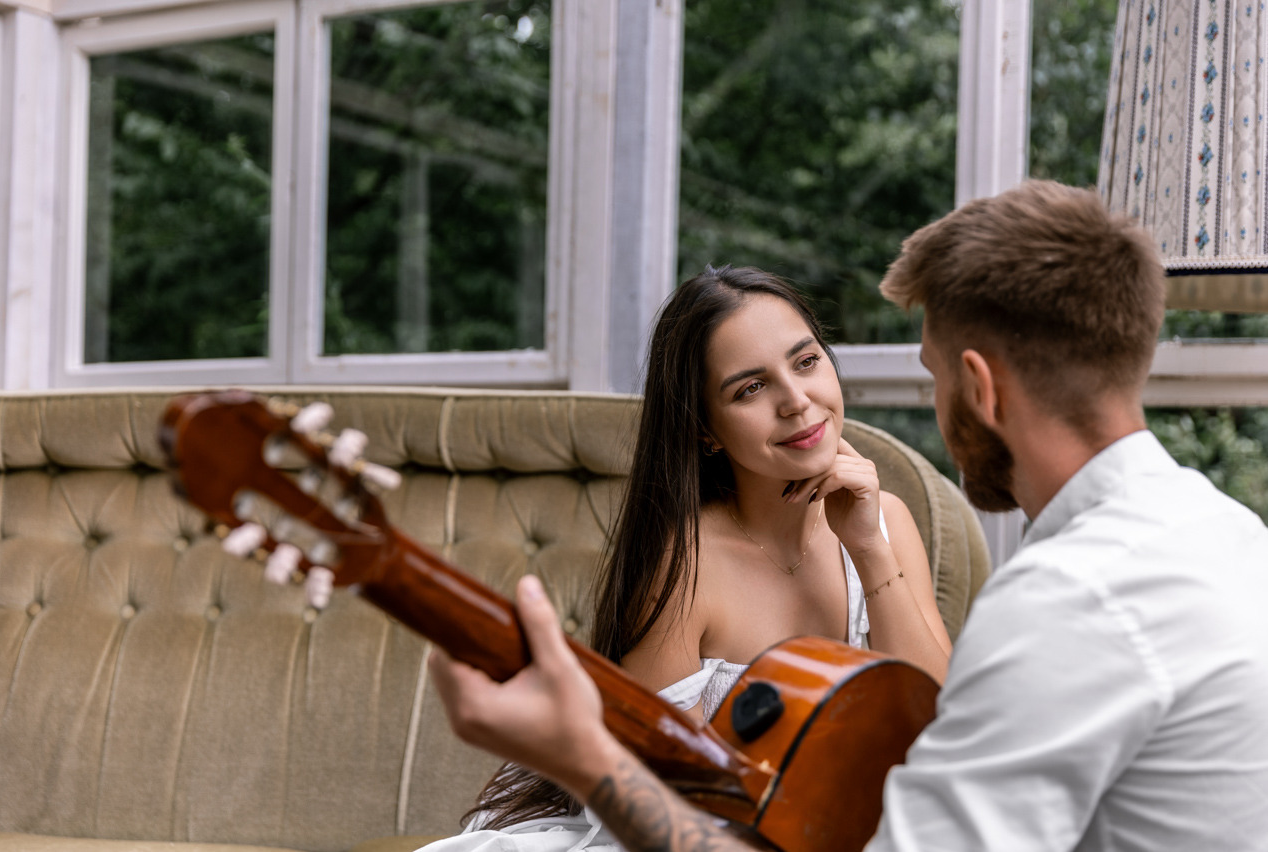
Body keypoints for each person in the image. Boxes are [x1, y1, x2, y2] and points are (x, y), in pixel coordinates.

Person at [429, 180, 1268, 851]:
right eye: (752, 387)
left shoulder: (1064, 599)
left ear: (978, 387)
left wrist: (577, 756)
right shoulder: (1235, 538)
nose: (798, 402)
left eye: (932, 374)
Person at [426, 265, 952, 850]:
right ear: (707, 430)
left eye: (806, 362)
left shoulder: (886, 521)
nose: (797, 402)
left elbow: (945, 734)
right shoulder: (686, 567)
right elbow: (665, 798)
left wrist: (871, 550)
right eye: (751, 388)